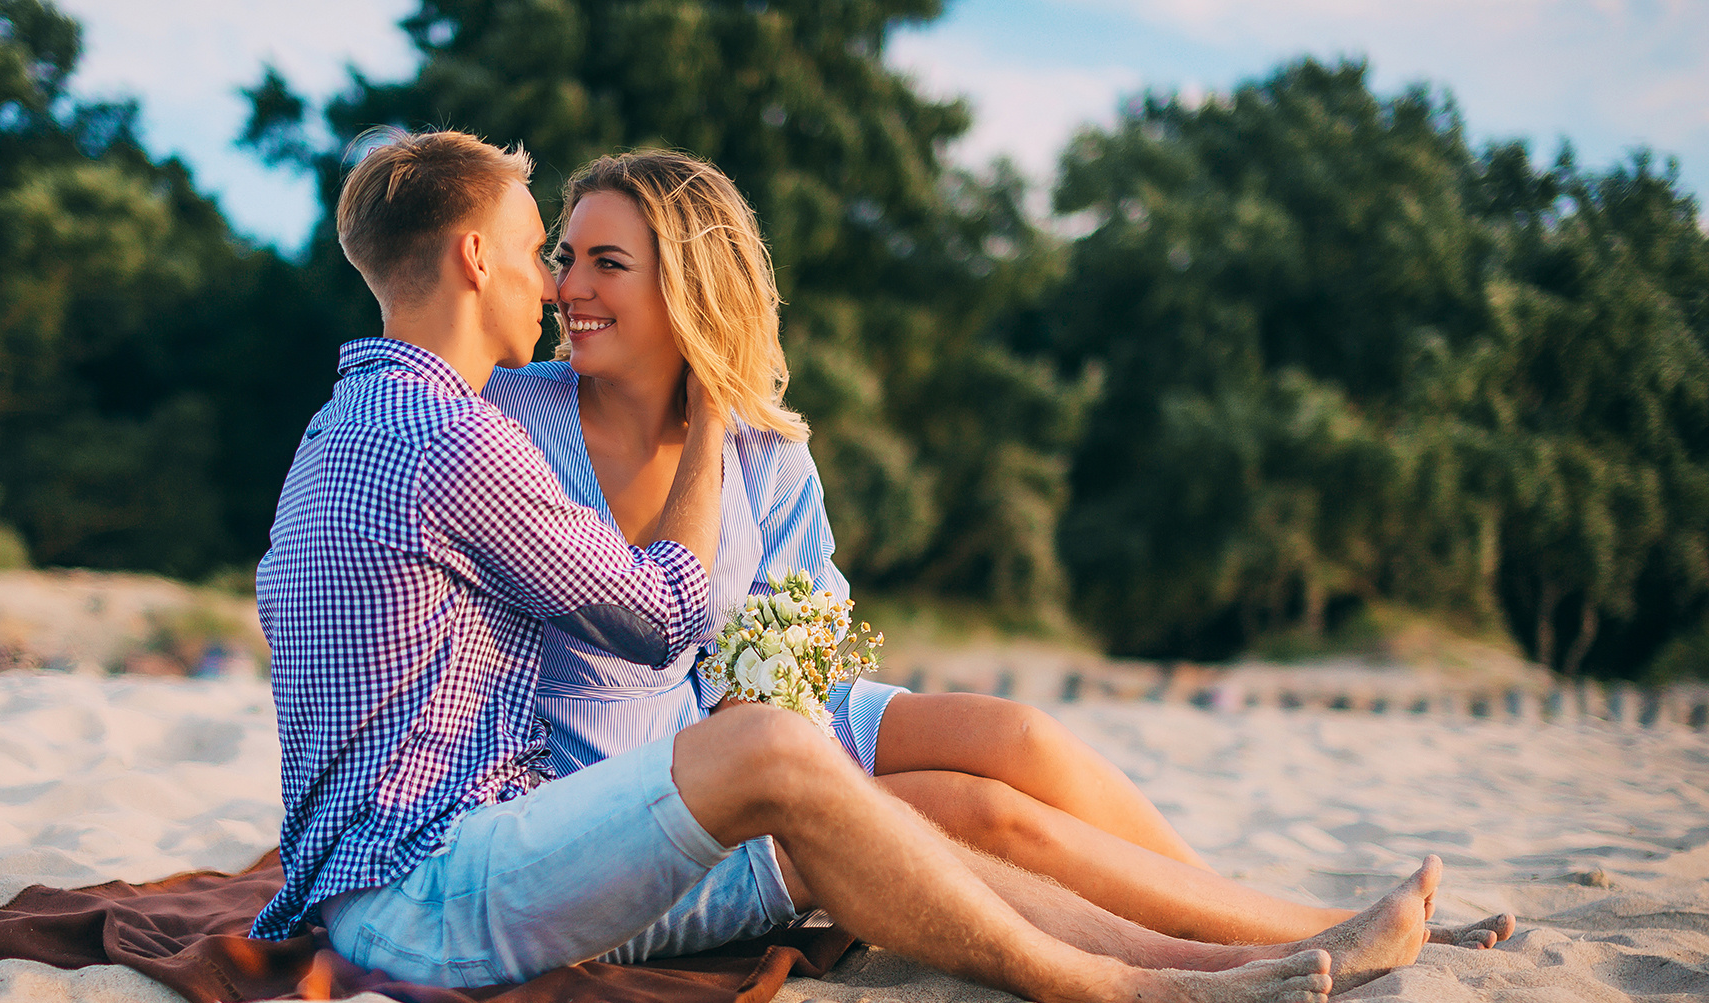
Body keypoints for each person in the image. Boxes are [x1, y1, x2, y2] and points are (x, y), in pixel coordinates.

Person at [248, 126, 1437, 1003]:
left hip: (457, 849)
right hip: (443, 879)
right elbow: (666, 619)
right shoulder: (465, 431)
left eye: (588, 260)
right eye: (535, 250)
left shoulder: (355, 422)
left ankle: (1232, 949)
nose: (551, 282)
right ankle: (1135, 983)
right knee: (807, 767)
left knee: (929, 761)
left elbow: (774, 623)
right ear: (472, 257)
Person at [484, 149, 1513, 956]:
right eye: (564, 256)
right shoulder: (512, 423)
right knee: (982, 814)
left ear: (688, 289)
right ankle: (1303, 935)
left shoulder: (760, 447)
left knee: (1017, 737)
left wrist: (771, 710)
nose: (565, 285)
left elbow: (802, 630)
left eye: (602, 262)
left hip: (774, 719)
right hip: (641, 759)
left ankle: (1247, 911)